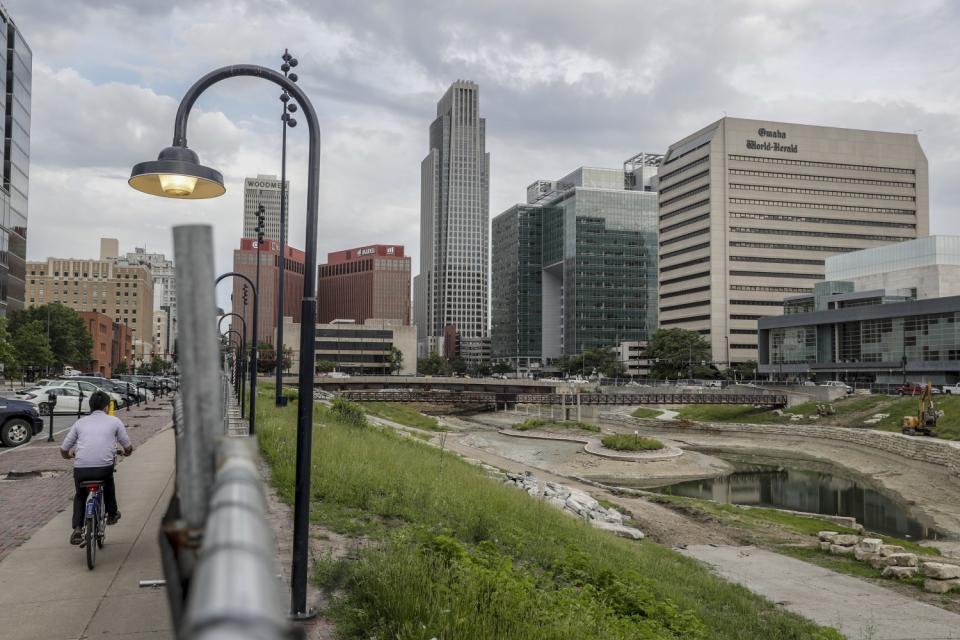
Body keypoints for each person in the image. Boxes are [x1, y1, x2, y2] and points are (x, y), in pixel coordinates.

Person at [60, 390, 134, 545]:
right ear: (107, 407)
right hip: (103, 468)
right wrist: (127, 452)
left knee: (80, 495)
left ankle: (78, 528)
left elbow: (64, 448)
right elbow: (127, 445)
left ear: (90, 406)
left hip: (81, 469)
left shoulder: (80, 423)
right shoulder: (114, 422)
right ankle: (112, 514)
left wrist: (68, 456)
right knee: (108, 485)